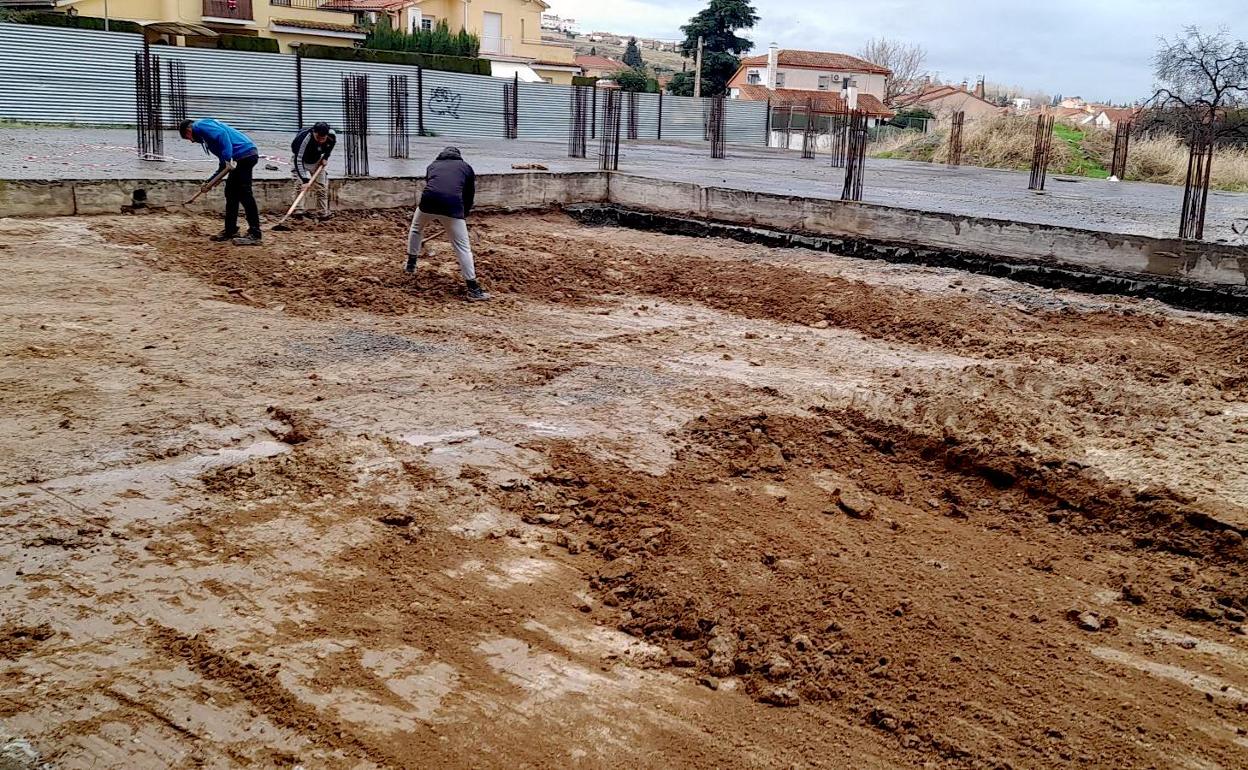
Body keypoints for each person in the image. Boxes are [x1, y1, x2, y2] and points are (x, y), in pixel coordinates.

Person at [406, 147, 489, 301]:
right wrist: (463, 214)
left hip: (427, 203)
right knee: (463, 247)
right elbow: (468, 194)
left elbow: (434, 186)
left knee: (416, 228)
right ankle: (473, 288)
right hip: (452, 207)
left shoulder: (432, 165)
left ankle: (411, 264)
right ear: (458, 157)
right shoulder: (466, 167)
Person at [179, 118, 262, 246]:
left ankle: (255, 234)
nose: (191, 141)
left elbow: (223, 134)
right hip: (239, 158)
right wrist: (210, 181)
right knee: (230, 193)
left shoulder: (200, 126)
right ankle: (230, 230)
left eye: (187, 137)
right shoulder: (207, 138)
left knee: (244, 194)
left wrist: (228, 157)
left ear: (188, 130)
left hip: (245, 155)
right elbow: (222, 165)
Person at [290, 121, 336, 221]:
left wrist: (326, 157)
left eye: (323, 139)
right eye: (318, 138)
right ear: (314, 133)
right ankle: (298, 212)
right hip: (301, 160)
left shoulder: (331, 135)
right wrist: (305, 180)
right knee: (300, 185)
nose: (321, 141)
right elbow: (298, 160)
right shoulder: (304, 139)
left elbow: (331, 145)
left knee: (322, 187)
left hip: (316, 160)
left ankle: (322, 213)